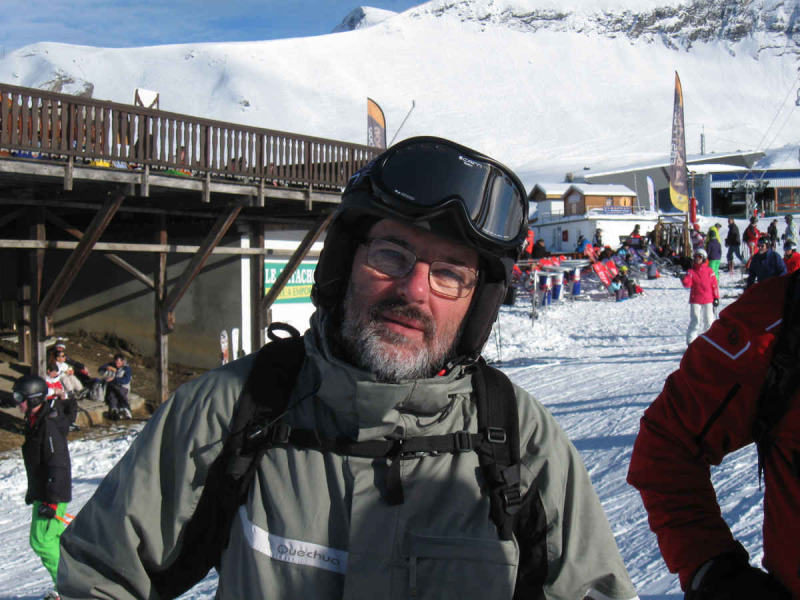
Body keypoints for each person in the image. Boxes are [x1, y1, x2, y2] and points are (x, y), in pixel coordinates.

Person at [58, 137, 638, 600]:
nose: (414, 290)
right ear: (345, 263)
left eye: (449, 274)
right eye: (392, 255)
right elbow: (99, 576)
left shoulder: (517, 439)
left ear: (475, 305)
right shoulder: (234, 408)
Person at [627, 271, 800, 599]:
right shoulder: (780, 314)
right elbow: (665, 441)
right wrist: (712, 571)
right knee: (697, 321)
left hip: (709, 298)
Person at [13, 374, 72, 600]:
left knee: (42, 541)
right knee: (50, 540)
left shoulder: (47, 425)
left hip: (52, 493)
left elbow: (57, 464)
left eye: (20, 398)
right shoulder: (37, 420)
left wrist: (51, 500)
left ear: (35, 399)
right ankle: (73, 582)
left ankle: (68, 588)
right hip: (45, 491)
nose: (17, 403)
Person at [681, 248, 719, 345]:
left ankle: (710, 340)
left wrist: (716, 297)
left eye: (700, 257)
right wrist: (683, 278)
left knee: (709, 320)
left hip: (708, 298)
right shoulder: (691, 272)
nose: (697, 259)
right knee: (695, 320)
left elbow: (714, 285)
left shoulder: (709, 271)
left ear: (704, 259)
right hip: (696, 299)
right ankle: (691, 342)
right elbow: (687, 284)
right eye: (696, 257)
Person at [99, 353, 133, 420]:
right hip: (112, 386)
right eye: (116, 362)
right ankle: (113, 410)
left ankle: (125, 408)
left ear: (122, 361)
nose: (117, 364)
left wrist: (114, 379)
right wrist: (106, 367)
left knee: (119, 392)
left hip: (123, 387)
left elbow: (126, 380)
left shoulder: (127, 369)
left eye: (119, 362)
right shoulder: (112, 365)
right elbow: (100, 369)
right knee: (112, 394)